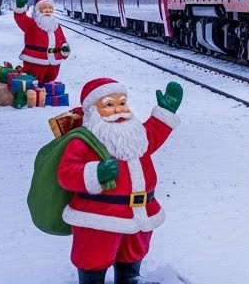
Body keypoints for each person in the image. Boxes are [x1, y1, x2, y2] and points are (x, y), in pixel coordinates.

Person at [58, 77, 183, 284]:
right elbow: (66, 173)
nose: (119, 109)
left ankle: (129, 278)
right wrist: (95, 173)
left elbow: (153, 134)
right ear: (93, 111)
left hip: (141, 212)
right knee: (94, 256)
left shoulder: (135, 135)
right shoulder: (83, 141)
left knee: (132, 252)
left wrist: (165, 112)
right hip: (99, 217)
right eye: (109, 104)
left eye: (122, 103)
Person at [14, 0, 70, 84]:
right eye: (44, 8)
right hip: (35, 61)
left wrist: (65, 48)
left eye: (50, 8)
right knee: (32, 84)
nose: (47, 11)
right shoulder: (31, 24)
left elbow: (62, 40)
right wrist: (19, 7)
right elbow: (20, 18)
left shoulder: (55, 26)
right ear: (38, 10)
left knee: (49, 86)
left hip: (54, 63)